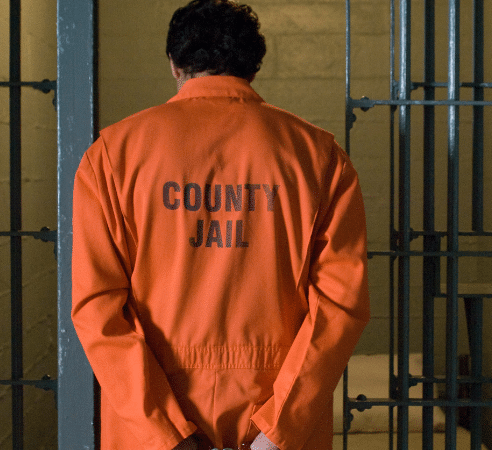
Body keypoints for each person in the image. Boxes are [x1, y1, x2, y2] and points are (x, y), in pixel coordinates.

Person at [71, 1, 370, 449]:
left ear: (175, 65)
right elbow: (340, 307)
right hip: (274, 408)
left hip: (154, 417)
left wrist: (166, 433)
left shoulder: (113, 157)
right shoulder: (319, 157)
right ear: (252, 66)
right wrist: (278, 430)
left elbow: (98, 309)